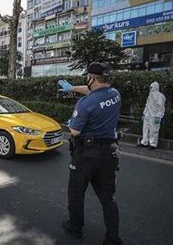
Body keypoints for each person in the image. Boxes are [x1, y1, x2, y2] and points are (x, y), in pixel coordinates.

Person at [57, 63, 123, 244]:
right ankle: (113, 239)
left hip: (86, 155)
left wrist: (72, 121)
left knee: (76, 192)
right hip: (109, 153)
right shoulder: (115, 94)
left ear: (92, 78)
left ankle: (75, 227)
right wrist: (72, 88)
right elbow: (93, 93)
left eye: (88, 77)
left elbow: (74, 131)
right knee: (108, 198)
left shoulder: (85, 103)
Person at [139, 81, 166, 149]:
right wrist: (144, 113)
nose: (150, 88)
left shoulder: (160, 96)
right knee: (145, 129)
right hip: (148, 115)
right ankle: (144, 142)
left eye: (151, 87)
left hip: (154, 116)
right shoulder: (150, 94)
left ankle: (153, 144)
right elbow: (147, 105)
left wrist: (159, 116)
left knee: (153, 131)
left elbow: (161, 107)